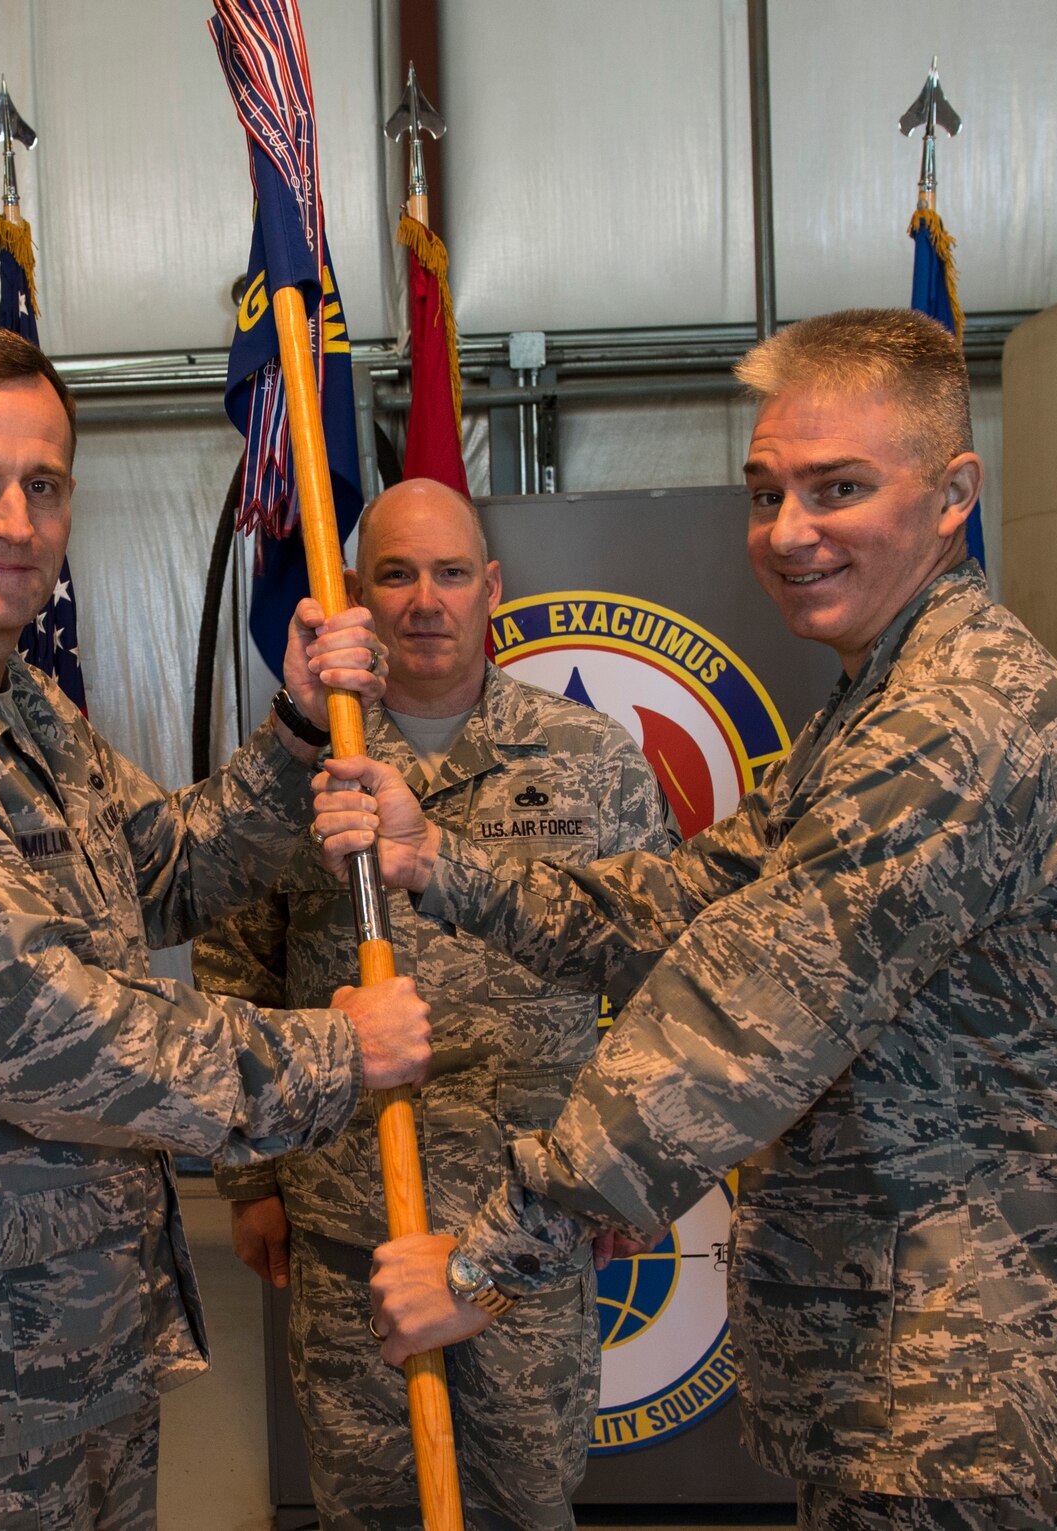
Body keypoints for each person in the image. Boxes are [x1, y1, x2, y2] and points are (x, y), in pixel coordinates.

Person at [317, 310, 1057, 1531]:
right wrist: (438, 863)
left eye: (839, 488)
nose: (788, 533)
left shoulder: (954, 722)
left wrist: (484, 1259)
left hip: (972, 1397)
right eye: (765, 494)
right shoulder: (878, 702)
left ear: (953, 494)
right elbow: (686, 905)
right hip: (898, 1377)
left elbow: (736, 1018)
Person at [0, 328, 432, 1531]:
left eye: (42, 485)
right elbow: (33, 1025)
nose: (13, 520)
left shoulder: (16, 706)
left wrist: (303, 730)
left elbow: (160, 869)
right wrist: (330, 1054)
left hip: (75, 1356)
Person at [196, 478, 672, 1530]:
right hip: (350, 1231)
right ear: (359, 595)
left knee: (525, 1502)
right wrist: (247, 1177)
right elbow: (235, 966)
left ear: (490, 587)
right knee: (365, 1508)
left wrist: (621, 1184)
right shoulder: (295, 769)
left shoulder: (589, 760)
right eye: (396, 574)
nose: (425, 600)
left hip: (525, 1229)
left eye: (450, 572)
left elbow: (655, 977)